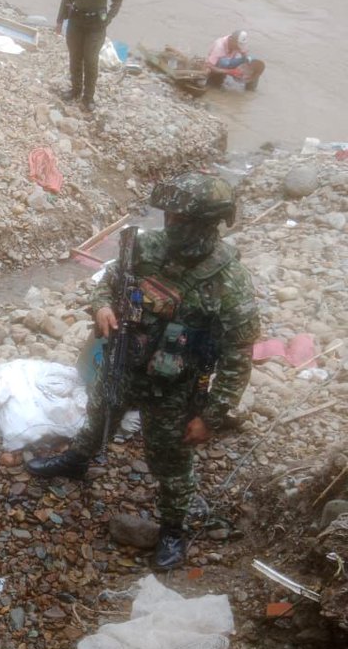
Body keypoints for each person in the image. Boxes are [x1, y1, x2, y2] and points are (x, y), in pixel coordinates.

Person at [25, 174, 260, 570]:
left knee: (171, 460)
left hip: (175, 388)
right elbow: (109, 283)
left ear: (208, 224)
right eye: (170, 217)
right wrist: (102, 306)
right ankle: (78, 460)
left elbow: (238, 359)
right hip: (126, 362)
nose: (172, 226)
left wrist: (211, 417)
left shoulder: (229, 282)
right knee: (100, 413)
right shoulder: (146, 247)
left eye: (182, 220)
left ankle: (172, 528)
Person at [56, 0, 123, 113]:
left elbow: (117, 1)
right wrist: (59, 21)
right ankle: (75, 90)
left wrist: (108, 18)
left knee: (91, 60)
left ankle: (88, 97)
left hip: (96, 26)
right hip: (76, 24)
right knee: (75, 57)